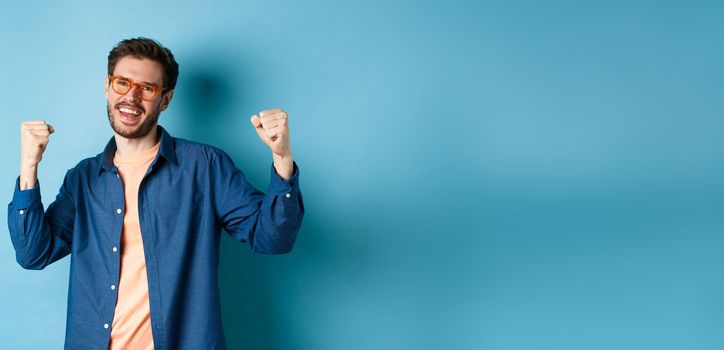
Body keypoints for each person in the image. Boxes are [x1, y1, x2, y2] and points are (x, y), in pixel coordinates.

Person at [7, 37, 304, 350]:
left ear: (165, 99)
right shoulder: (83, 178)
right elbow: (33, 253)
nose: (131, 97)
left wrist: (282, 158)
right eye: (122, 83)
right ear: (107, 88)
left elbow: (272, 238)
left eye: (147, 88)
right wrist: (29, 166)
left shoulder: (205, 166)